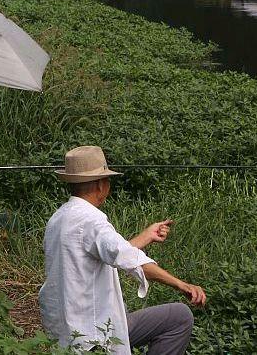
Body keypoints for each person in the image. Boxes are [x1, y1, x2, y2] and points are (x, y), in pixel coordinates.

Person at [39, 146, 206, 355]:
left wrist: (146, 236)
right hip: (94, 333)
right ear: (101, 185)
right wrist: (182, 285)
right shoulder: (92, 220)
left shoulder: (58, 218)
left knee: (171, 317)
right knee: (180, 316)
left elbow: (107, 253)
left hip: (65, 330)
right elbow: (129, 259)